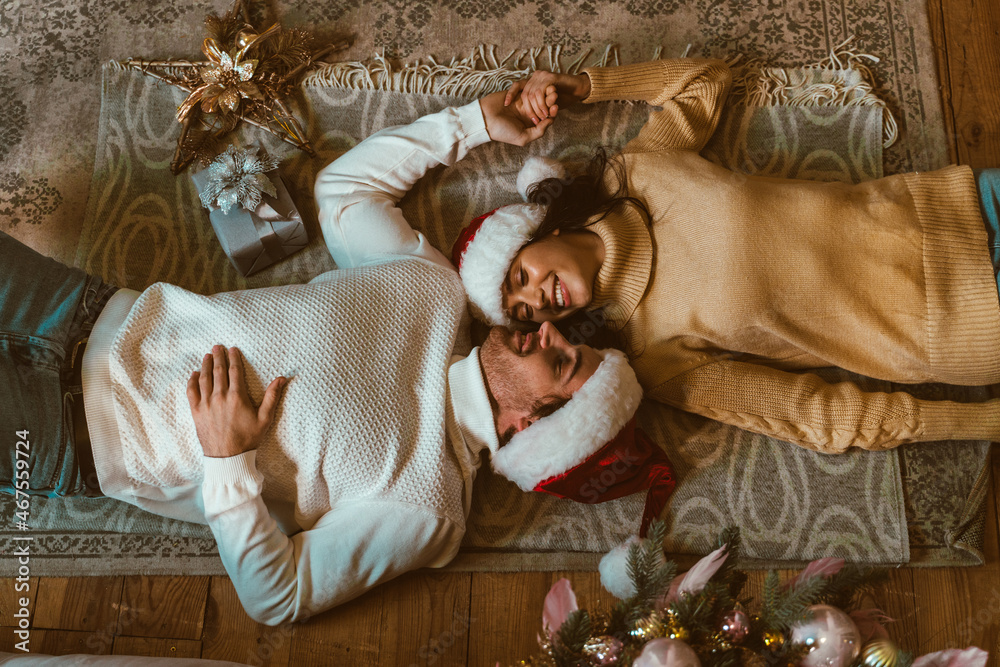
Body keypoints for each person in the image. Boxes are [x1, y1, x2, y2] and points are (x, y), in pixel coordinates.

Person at [0, 88, 677, 626]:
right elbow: (345, 194)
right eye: (571, 339)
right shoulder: (435, 290)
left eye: (561, 362)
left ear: (532, 426)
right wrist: (470, 122)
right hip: (87, 309)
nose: (552, 332)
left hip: (71, 435)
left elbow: (278, 596)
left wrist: (228, 460)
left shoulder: (427, 505)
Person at [451, 57, 1000, 455]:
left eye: (521, 276)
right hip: (960, 322)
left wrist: (585, 86)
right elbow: (812, 416)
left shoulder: (633, 170)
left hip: (953, 205)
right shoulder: (654, 356)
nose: (537, 298)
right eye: (524, 312)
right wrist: (983, 421)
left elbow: (705, 81)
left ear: (539, 229)